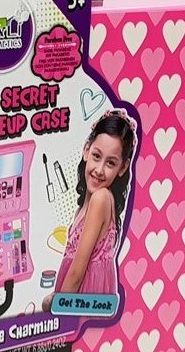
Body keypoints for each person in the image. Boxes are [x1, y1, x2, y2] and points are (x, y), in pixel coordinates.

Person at [43, 110, 138, 312]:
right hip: (76, 294)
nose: (99, 170)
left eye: (111, 163)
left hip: (84, 295)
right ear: (86, 150)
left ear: (123, 167)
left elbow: (77, 273)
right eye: (96, 156)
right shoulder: (86, 204)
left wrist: (58, 311)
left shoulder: (100, 199)